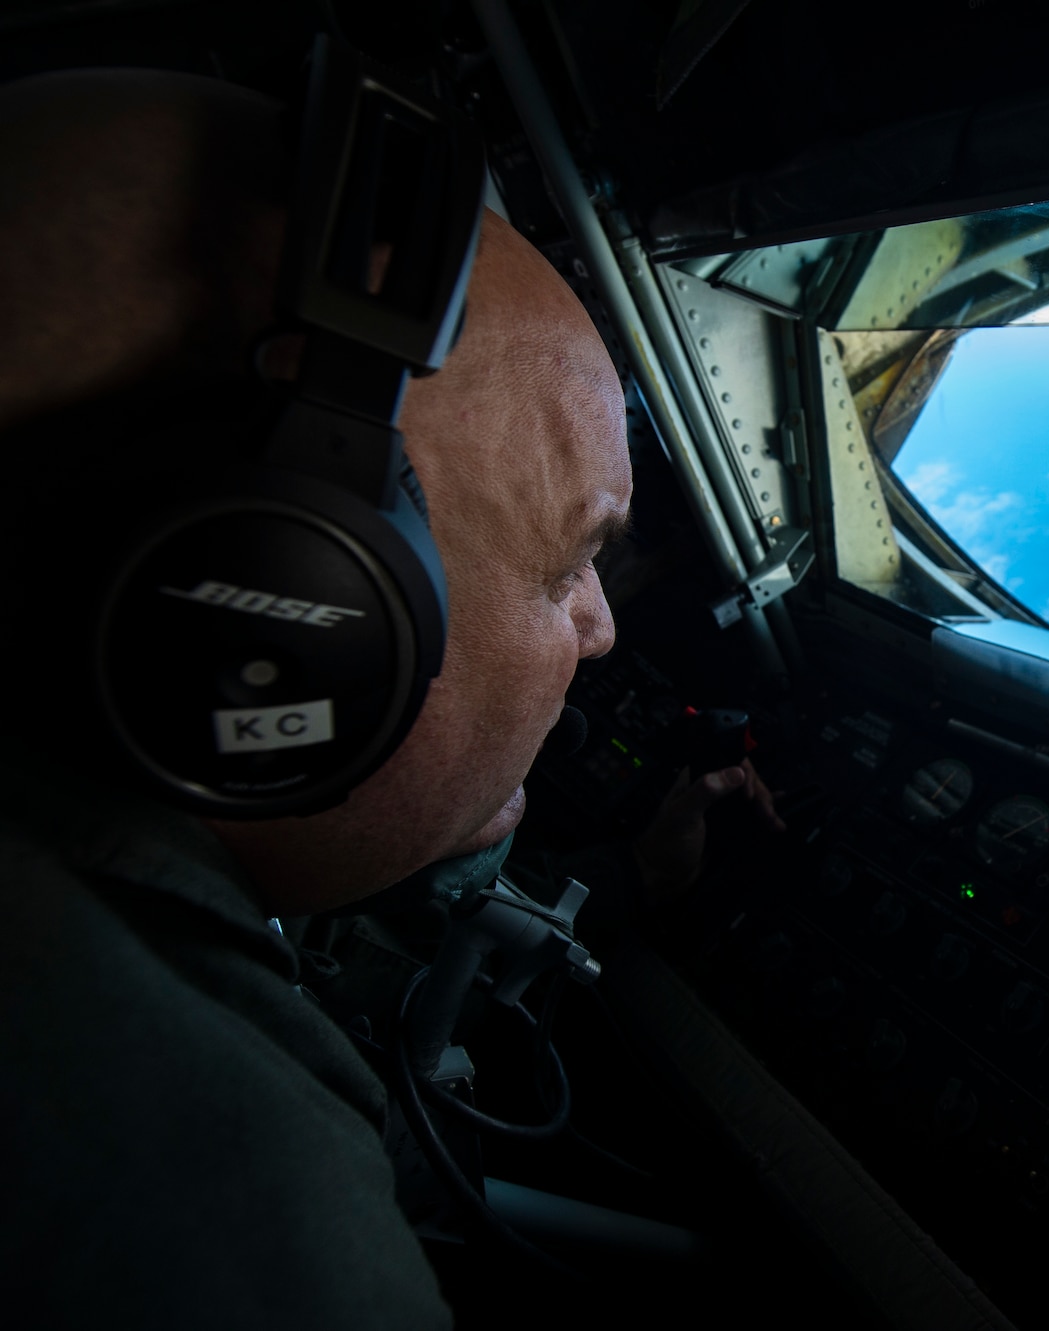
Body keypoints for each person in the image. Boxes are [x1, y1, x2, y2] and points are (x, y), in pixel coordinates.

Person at [0, 66, 771, 1327]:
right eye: (575, 558)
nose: (602, 625)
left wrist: (629, 875)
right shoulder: (208, 1207)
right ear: (276, 594)